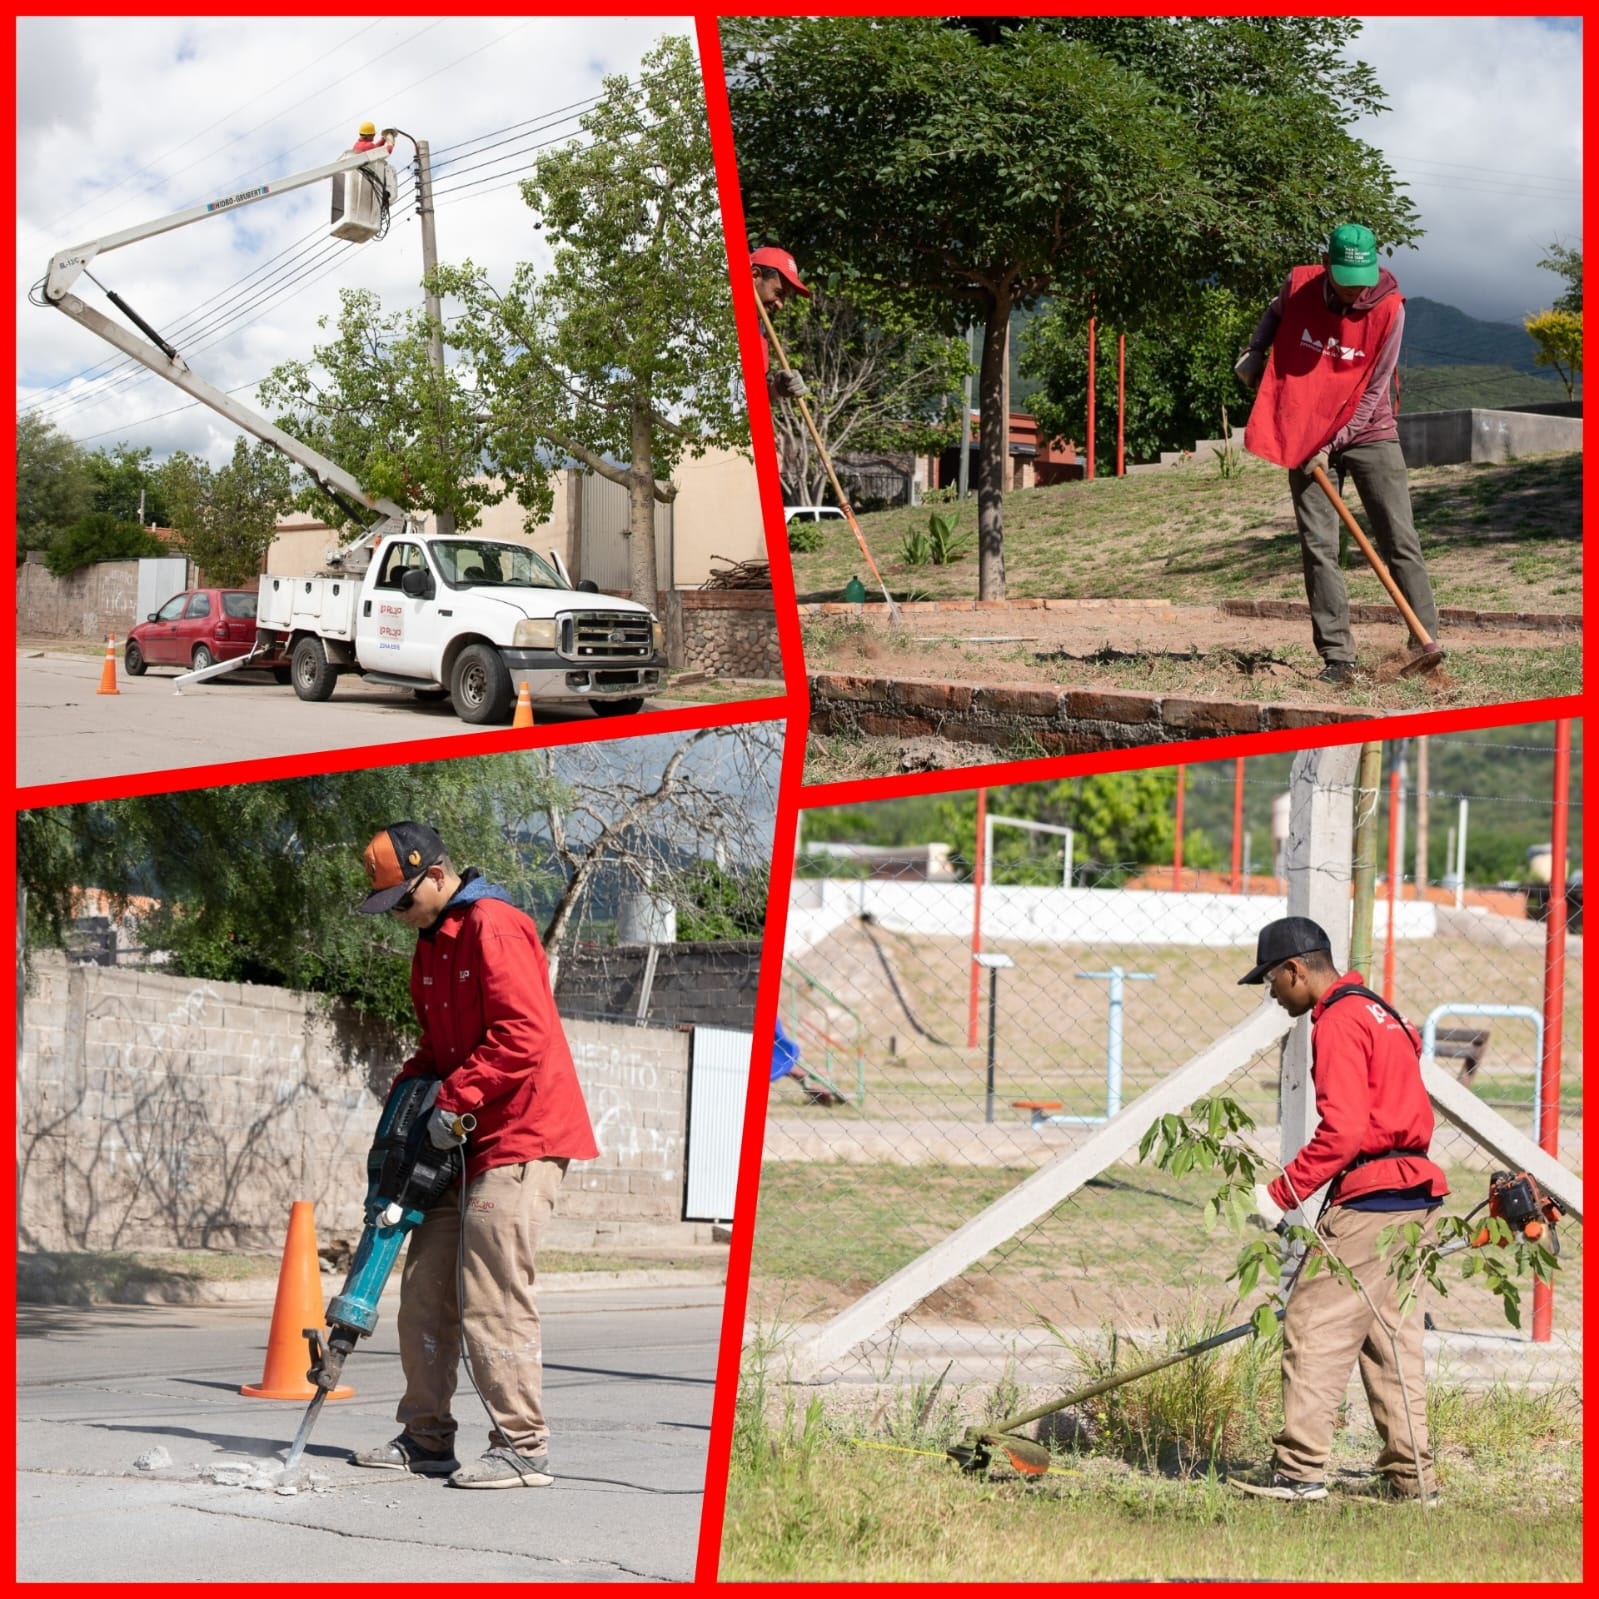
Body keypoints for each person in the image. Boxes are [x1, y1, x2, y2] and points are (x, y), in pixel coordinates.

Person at [350, 821, 598, 1489]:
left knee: (489, 1287)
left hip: (521, 1131)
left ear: (435, 874)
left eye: (403, 900)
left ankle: (523, 1446)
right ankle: (426, 1437)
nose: (399, 916)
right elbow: (436, 1050)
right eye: (389, 907)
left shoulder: (494, 923)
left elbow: (523, 1032)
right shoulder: (429, 949)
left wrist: (454, 1098)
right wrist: (404, 1105)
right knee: (425, 1288)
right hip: (455, 1143)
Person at [1228, 916, 1448, 1504]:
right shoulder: (1381, 1010)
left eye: (1273, 980)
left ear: (1296, 969)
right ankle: (1413, 1479)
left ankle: (1299, 1473)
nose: (1273, 994)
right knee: (1390, 1339)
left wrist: (1279, 1194)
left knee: (1312, 1324)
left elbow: (1345, 1133)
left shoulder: (1340, 1021)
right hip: (1416, 1193)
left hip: (1373, 1198)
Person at [1238, 224, 1442, 687]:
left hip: (1369, 432)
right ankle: (1338, 658)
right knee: (1319, 546)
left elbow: (1373, 391)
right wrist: (1255, 352)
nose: (1355, 291)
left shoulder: (1390, 309)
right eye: (1346, 280)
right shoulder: (1299, 285)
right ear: (1328, 267)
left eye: (1362, 281)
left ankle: (1424, 642)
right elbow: (1273, 314)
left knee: (1399, 538)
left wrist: (1331, 442)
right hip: (1306, 428)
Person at [750, 246, 811, 404]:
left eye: (784, 298)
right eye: (778, 293)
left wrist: (776, 389)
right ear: (754, 276)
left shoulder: (760, 332)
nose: (780, 305)